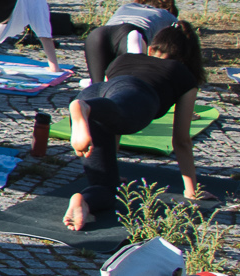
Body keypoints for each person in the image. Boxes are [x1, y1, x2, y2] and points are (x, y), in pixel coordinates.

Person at [65, 23, 210, 230]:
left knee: (106, 189)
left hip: (95, 95)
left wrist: (112, 167)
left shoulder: (123, 59)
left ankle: (82, 201)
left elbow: (112, 121)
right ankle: (83, 109)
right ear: (187, 57)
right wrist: (191, 190)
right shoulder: (182, 74)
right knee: (120, 108)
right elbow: (181, 140)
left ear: (151, 48)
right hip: (133, 97)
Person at [85, 0, 181, 84]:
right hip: (131, 33)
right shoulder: (168, 16)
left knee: (98, 86)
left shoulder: (126, 7)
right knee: (131, 84)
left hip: (98, 33)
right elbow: (169, 49)